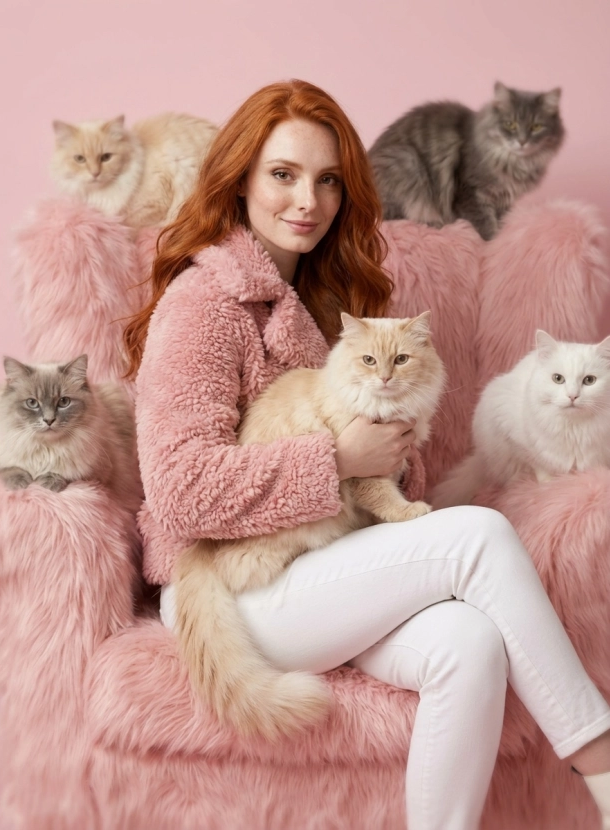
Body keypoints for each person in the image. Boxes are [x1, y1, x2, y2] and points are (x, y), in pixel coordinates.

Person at [124, 79, 610, 830]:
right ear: (241, 180)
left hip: (315, 565)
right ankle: (602, 762)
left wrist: (386, 456)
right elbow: (182, 491)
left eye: (327, 180)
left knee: (469, 643)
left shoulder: (322, 305)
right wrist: (338, 459)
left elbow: (380, 467)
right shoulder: (203, 303)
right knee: (478, 536)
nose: (307, 201)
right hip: (225, 582)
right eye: (283, 174)